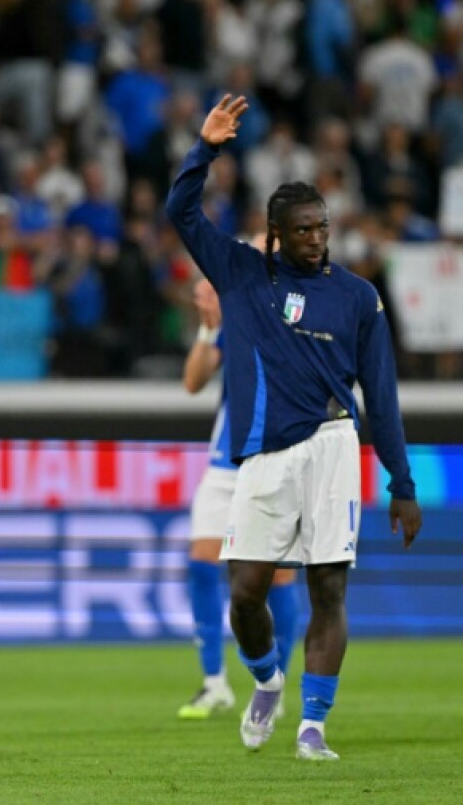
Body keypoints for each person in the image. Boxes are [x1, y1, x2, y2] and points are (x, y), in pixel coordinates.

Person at [166, 95, 422, 761]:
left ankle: (314, 725)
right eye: (303, 230)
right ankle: (267, 680)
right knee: (245, 595)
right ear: (275, 234)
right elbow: (181, 213)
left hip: (336, 445)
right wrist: (207, 148)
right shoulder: (242, 273)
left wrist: (402, 480)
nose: (316, 239)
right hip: (262, 459)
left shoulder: (359, 296)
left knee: (327, 587)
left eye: (322, 228)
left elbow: (384, 395)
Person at [179, 277, 300, 720]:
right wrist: (209, 328)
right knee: (201, 561)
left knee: (280, 578)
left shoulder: (299, 319)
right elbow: (193, 382)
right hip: (224, 462)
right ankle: (214, 684)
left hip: (278, 462)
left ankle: (273, 689)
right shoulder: (237, 322)